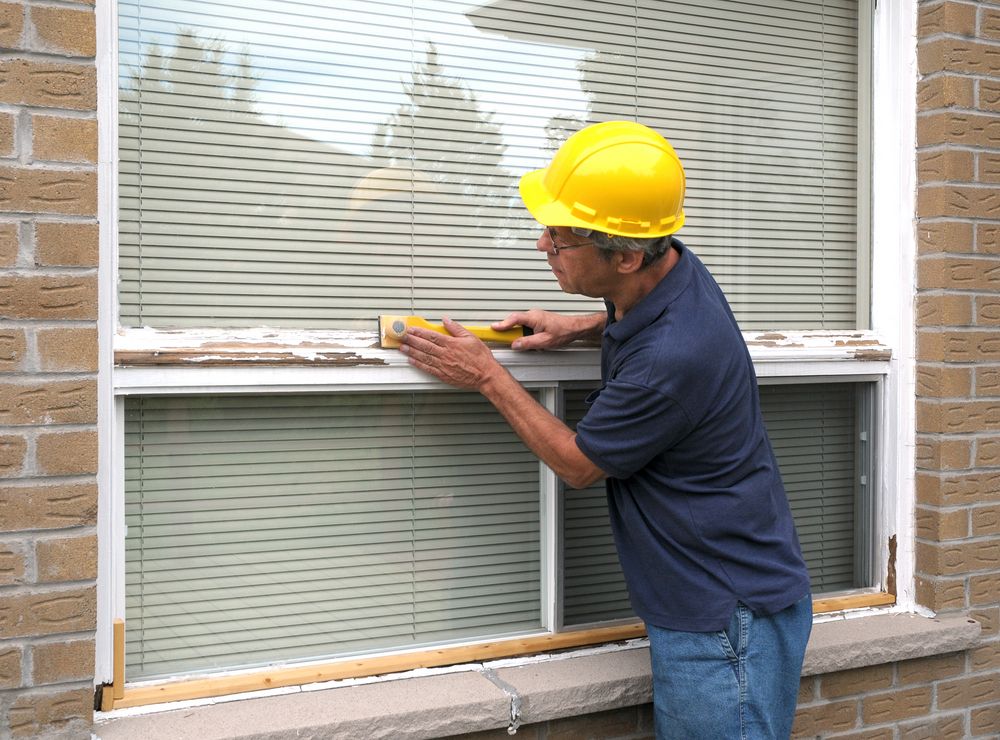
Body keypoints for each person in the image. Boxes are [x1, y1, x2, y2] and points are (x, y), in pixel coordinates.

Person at [398, 120, 812, 740]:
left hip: (726, 621)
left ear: (623, 254)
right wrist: (580, 326)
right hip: (722, 598)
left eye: (560, 238)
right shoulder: (672, 269)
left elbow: (578, 462)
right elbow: (647, 314)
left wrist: (487, 375)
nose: (543, 245)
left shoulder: (672, 359)